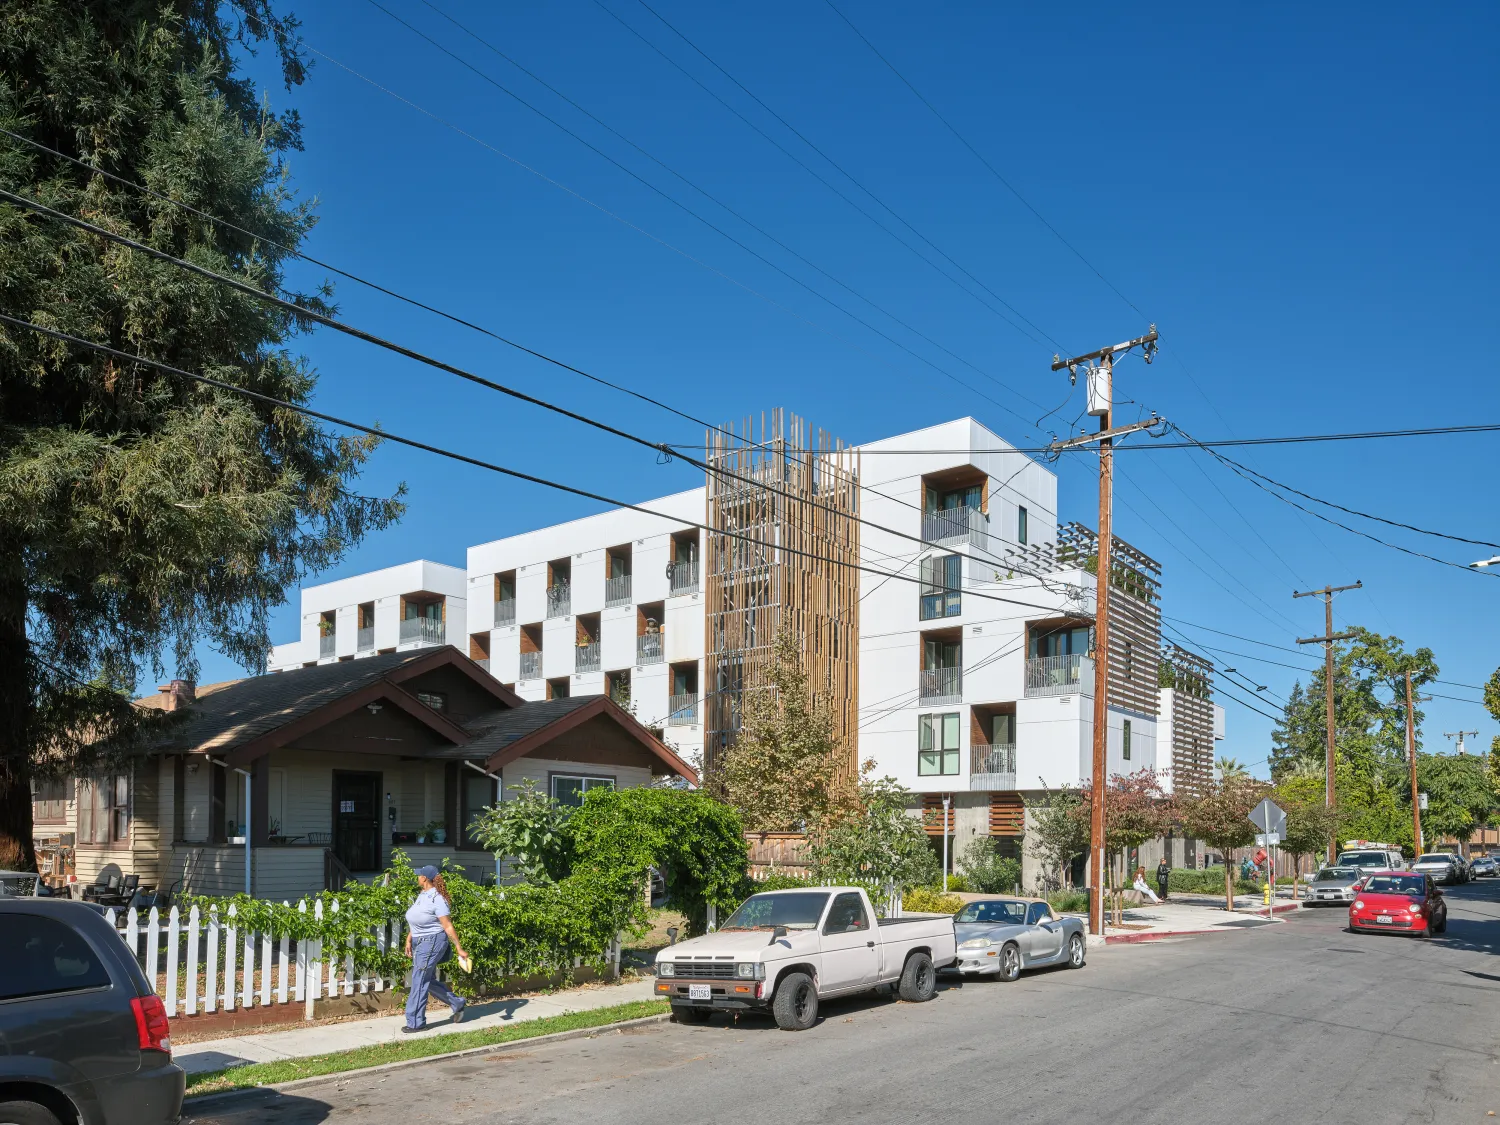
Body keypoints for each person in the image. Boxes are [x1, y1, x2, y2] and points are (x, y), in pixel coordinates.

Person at [403, 865, 469, 1033]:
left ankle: (416, 1023)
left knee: (419, 979)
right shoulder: (423, 895)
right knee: (426, 979)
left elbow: (447, 926)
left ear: (425, 878)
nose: (417, 877)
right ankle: (457, 1002)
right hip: (420, 941)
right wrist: (409, 939)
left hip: (432, 941)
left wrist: (459, 948)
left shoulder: (437, 899)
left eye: (419, 875)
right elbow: (419, 920)